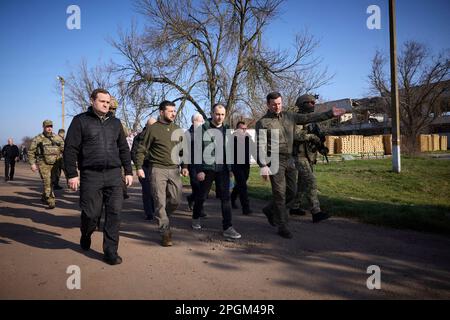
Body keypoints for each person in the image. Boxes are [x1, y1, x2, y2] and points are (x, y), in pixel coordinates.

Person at [255, 92, 345, 239]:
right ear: (268, 105)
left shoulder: (290, 116)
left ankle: (269, 210)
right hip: (274, 160)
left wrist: (330, 114)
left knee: (292, 192)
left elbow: (309, 117)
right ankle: (282, 226)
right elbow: (260, 145)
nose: (277, 106)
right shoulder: (262, 123)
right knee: (280, 194)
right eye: (273, 104)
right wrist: (263, 164)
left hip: (289, 159)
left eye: (279, 103)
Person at [64, 88, 133, 265]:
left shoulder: (115, 123)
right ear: (92, 101)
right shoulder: (80, 121)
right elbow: (70, 149)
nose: (105, 104)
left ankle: (110, 252)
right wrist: (72, 174)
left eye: (108, 102)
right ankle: (86, 233)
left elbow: (124, 148)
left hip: (113, 175)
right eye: (102, 101)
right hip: (91, 175)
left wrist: (128, 171)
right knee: (91, 214)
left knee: (115, 213)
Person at [135, 100, 189, 247]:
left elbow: (184, 150)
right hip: (157, 169)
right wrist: (139, 167)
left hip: (174, 169)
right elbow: (141, 149)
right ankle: (165, 233)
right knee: (159, 201)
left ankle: (163, 216)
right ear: (161, 112)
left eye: (174, 111)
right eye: (170, 111)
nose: (173, 113)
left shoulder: (178, 129)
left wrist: (185, 166)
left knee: (176, 199)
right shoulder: (152, 129)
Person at [191, 103, 242, 240]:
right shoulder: (202, 129)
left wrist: (230, 169)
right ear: (212, 113)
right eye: (217, 114)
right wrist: (199, 170)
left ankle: (227, 227)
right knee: (202, 196)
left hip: (223, 169)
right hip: (207, 169)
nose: (220, 117)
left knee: (225, 199)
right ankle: (195, 217)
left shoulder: (227, 130)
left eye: (222, 114)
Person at [291, 94, 332, 221]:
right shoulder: (296, 119)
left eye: (314, 103)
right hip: (299, 156)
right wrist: (311, 137)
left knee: (303, 184)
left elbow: (318, 137)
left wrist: (321, 147)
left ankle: (294, 206)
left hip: (309, 157)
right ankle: (316, 212)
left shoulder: (313, 121)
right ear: (303, 104)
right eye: (311, 103)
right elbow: (296, 135)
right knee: (311, 182)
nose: (313, 105)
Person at [28, 121, 65, 209]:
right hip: (43, 163)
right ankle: (51, 200)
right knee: (47, 181)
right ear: (43, 127)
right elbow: (31, 152)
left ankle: (45, 196)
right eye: (47, 126)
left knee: (52, 181)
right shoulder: (38, 138)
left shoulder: (57, 138)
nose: (49, 128)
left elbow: (64, 149)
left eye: (51, 126)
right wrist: (32, 163)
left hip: (55, 164)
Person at [131, 117, 157, 220]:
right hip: (144, 166)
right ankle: (149, 212)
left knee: (154, 189)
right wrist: (138, 166)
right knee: (147, 189)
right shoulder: (139, 137)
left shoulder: (158, 136)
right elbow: (133, 152)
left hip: (156, 165)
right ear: (147, 125)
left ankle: (153, 209)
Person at [230, 121, 253, 215]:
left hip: (246, 165)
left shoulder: (248, 138)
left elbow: (254, 150)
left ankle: (232, 197)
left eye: (245, 129)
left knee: (240, 184)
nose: (243, 131)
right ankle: (246, 208)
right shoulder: (232, 139)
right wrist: (229, 168)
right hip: (236, 165)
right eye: (241, 129)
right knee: (243, 185)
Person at [186, 113, 206, 216]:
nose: (201, 122)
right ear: (193, 122)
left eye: (202, 120)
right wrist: (184, 167)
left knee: (203, 189)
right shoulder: (188, 134)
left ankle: (191, 198)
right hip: (193, 165)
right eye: (198, 120)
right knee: (197, 187)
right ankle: (200, 210)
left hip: (205, 164)